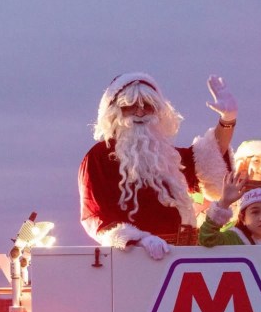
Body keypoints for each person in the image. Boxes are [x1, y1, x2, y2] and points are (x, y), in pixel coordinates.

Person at [79, 72, 237, 259]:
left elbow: (208, 160)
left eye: (148, 105)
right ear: (115, 111)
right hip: (135, 258)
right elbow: (95, 214)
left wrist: (228, 119)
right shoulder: (100, 157)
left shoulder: (167, 154)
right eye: (130, 106)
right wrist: (137, 240)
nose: (140, 112)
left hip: (184, 256)